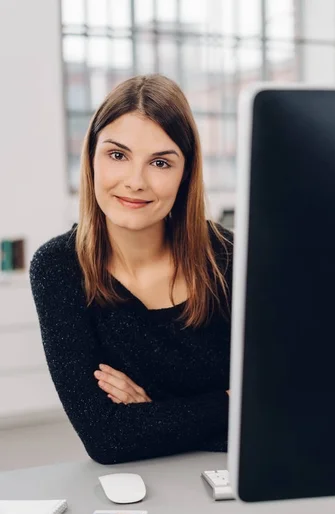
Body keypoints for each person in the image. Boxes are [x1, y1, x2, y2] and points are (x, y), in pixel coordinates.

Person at [30, 74, 233, 465]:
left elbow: (274, 402)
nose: (135, 182)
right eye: (117, 155)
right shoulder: (58, 267)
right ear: (91, 158)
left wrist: (153, 408)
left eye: (160, 162)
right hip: (147, 487)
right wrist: (226, 402)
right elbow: (107, 439)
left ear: (186, 174)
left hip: (239, 478)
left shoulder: (228, 257)